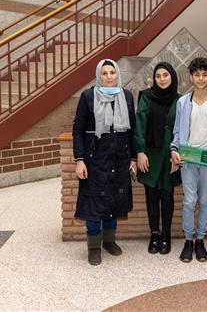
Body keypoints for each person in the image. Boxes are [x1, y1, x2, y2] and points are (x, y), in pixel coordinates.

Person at [72, 58, 136, 266]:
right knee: (94, 203)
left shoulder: (126, 96)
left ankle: (109, 241)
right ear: (99, 75)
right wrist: (79, 160)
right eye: (105, 73)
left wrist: (133, 157)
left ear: (117, 74)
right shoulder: (88, 96)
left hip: (119, 158)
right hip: (95, 159)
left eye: (112, 73)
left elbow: (132, 130)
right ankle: (93, 247)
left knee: (114, 200)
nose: (109, 77)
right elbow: (78, 130)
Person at [171, 57, 207, 263]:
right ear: (191, 77)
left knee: (204, 201)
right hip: (187, 159)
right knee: (189, 201)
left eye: (205, 74)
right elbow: (177, 131)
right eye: (197, 75)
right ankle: (188, 239)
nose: (201, 78)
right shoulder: (182, 102)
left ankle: (200, 239)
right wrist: (174, 150)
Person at [133, 62, 181, 255]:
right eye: (158, 76)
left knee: (167, 195)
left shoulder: (180, 100)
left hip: (171, 153)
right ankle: (154, 233)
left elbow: (183, 128)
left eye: (165, 75)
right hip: (150, 153)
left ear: (172, 77)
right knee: (151, 195)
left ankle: (166, 235)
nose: (161, 79)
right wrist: (140, 152)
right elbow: (140, 124)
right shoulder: (146, 96)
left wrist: (177, 155)